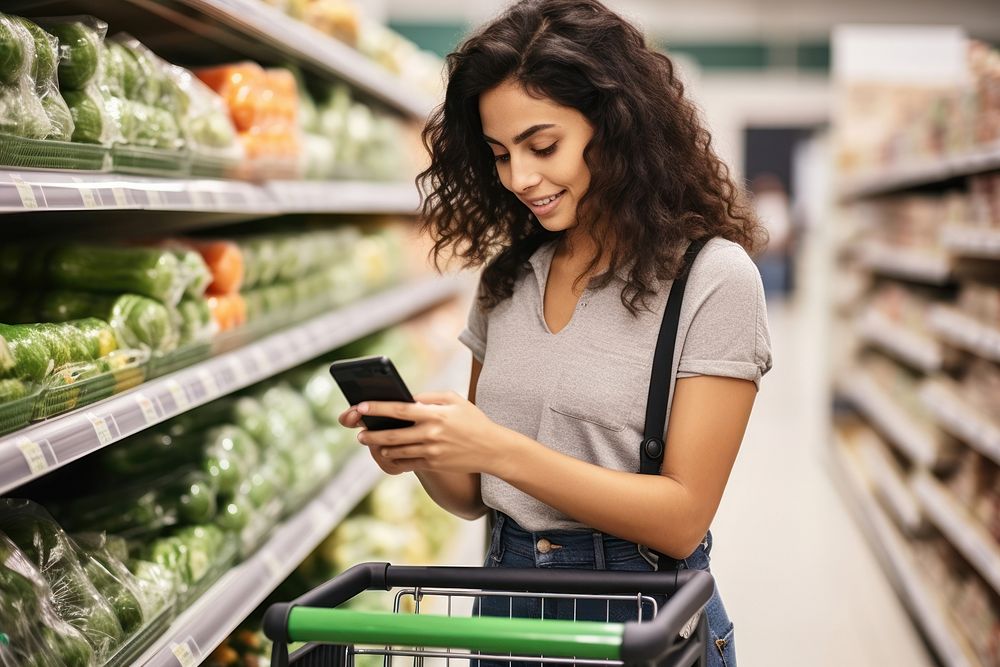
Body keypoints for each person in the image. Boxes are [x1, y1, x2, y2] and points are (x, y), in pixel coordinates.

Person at [339, 1, 772, 665]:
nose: (520, 178)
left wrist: (498, 447)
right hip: (503, 608)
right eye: (500, 154)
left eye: (543, 146)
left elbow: (682, 516)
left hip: (643, 618)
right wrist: (424, 451)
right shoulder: (508, 279)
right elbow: (476, 495)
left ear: (617, 125)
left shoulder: (712, 278)